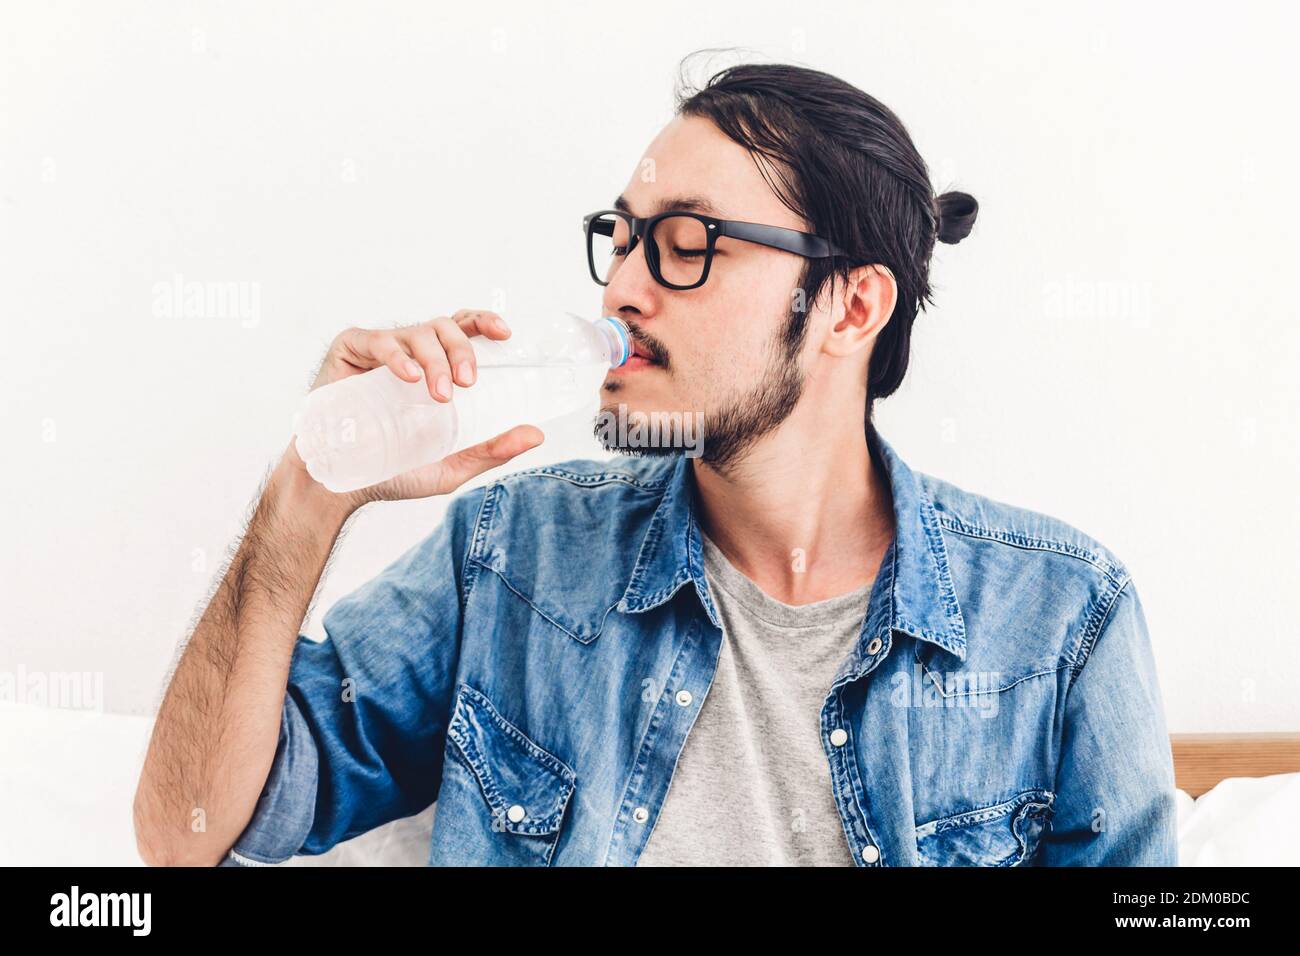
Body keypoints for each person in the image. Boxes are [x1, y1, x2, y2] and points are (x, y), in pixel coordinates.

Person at [133, 58, 1178, 867]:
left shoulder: (1060, 619)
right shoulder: (513, 557)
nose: (622, 288)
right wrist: (303, 502)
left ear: (850, 305)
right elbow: (185, 831)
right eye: (622, 238)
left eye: (685, 241)